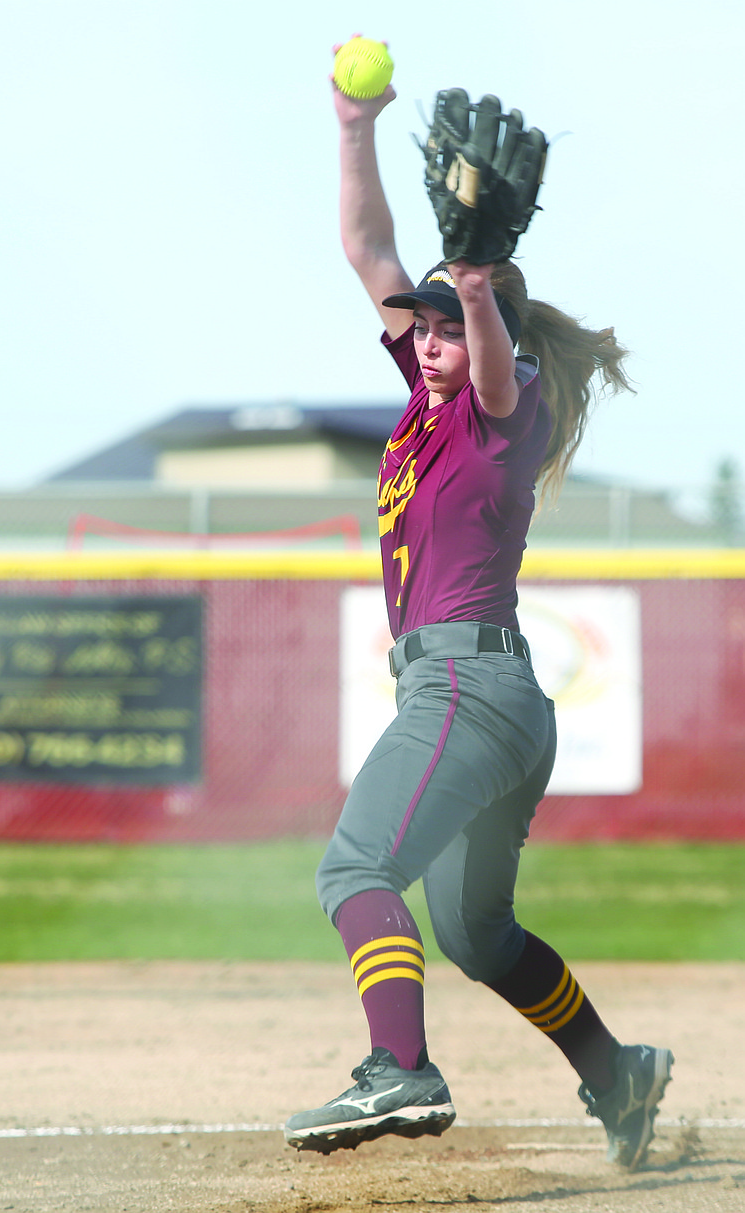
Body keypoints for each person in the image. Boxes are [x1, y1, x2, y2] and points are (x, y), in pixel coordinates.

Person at [284, 61, 672, 1171]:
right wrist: (356, 128)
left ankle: (399, 1067)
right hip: (489, 697)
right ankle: (620, 1074)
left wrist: (478, 277)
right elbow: (367, 253)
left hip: (468, 687)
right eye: (426, 328)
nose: (429, 336)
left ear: (488, 324)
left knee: (355, 869)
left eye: (446, 324)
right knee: (476, 932)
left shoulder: (505, 411)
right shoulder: (428, 400)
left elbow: (491, 354)